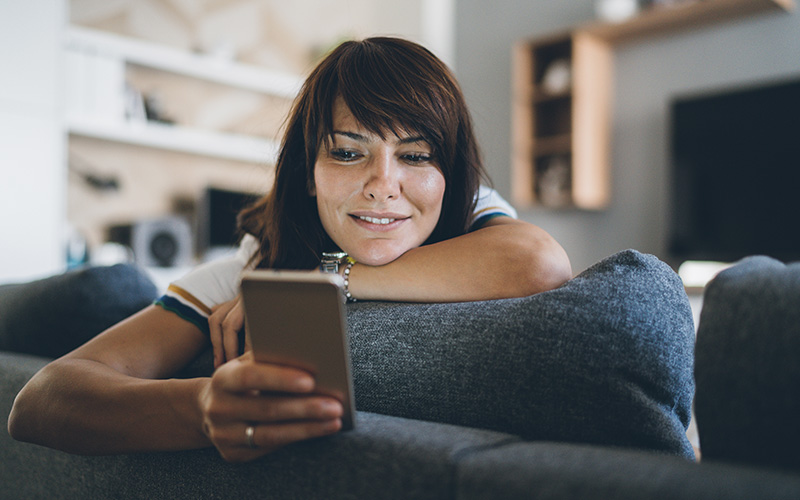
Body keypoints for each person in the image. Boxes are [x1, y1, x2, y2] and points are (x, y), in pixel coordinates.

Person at [8, 37, 571, 463]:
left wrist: (325, 280)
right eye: (348, 153)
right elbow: (41, 400)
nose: (383, 182)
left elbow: (540, 262)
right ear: (308, 174)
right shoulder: (251, 268)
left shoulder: (472, 212)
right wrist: (202, 408)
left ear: (449, 176)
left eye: (417, 156)